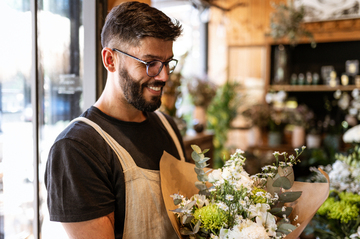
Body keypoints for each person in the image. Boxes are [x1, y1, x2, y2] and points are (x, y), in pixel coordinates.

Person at [45, 2, 184, 238]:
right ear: (110, 60)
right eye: (150, 63)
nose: (163, 76)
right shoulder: (77, 148)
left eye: (167, 63)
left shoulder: (168, 126)